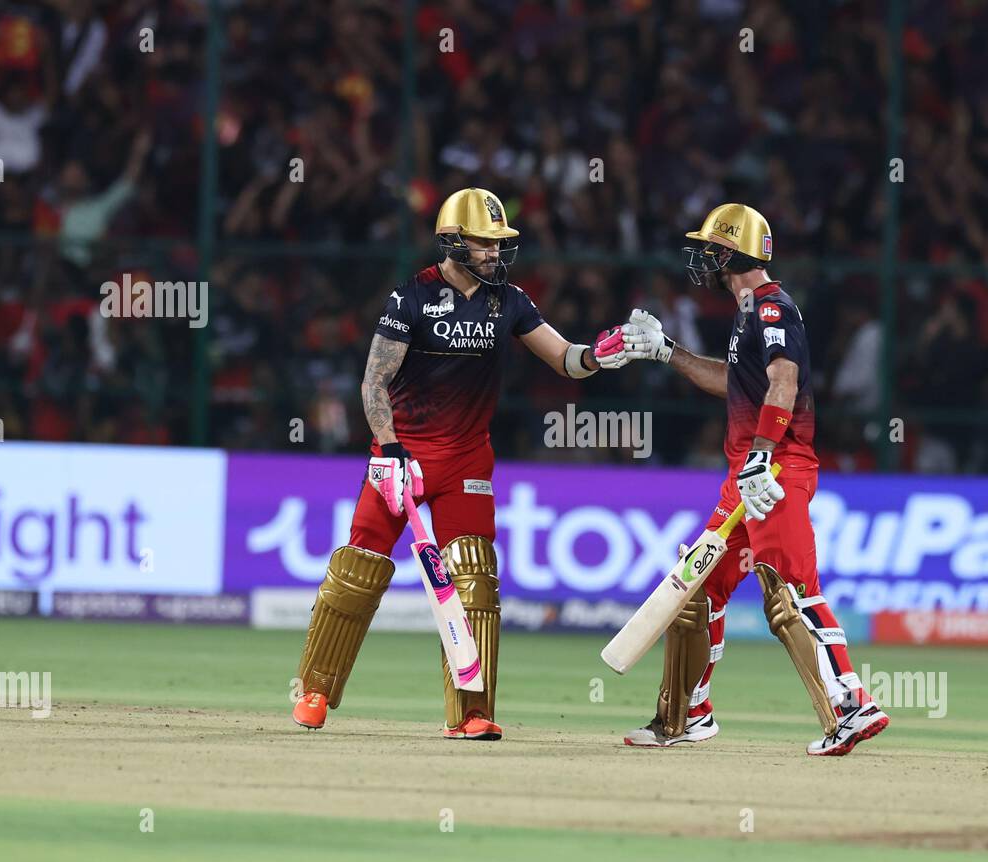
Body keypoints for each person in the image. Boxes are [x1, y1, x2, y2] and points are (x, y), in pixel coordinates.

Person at [291, 187, 623, 739]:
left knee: (473, 579)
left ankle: (471, 711)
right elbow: (374, 381)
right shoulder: (412, 297)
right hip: (400, 459)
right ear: (452, 241)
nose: (496, 253)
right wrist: (390, 450)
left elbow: (564, 360)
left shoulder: (510, 301)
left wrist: (598, 356)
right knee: (358, 570)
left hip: (467, 463)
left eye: (500, 243)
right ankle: (315, 690)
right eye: (485, 243)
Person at [609, 203, 889, 755]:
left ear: (731, 252)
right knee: (698, 592)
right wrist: (669, 353)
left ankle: (851, 706)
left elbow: (783, 382)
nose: (703, 259)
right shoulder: (746, 312)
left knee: (790, 590)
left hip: (775, 470)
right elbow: (737, 383)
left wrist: (762, 455)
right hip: (748, 472)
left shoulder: (771, 309)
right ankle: (691, 715)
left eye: (711, 249)